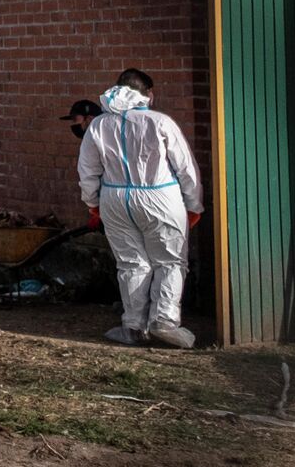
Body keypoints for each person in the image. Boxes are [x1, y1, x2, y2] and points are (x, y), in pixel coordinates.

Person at [78, 72, 203, 349]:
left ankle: (133, 326)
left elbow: (87, 170)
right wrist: (194, 205)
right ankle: (165, 323)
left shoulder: (98, 124)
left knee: (131, 263)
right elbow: (186, 169)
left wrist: (93, 203)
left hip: (114, 197)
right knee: (169, 261)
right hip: (160, 195)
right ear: (149, 93)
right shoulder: (160, 122)